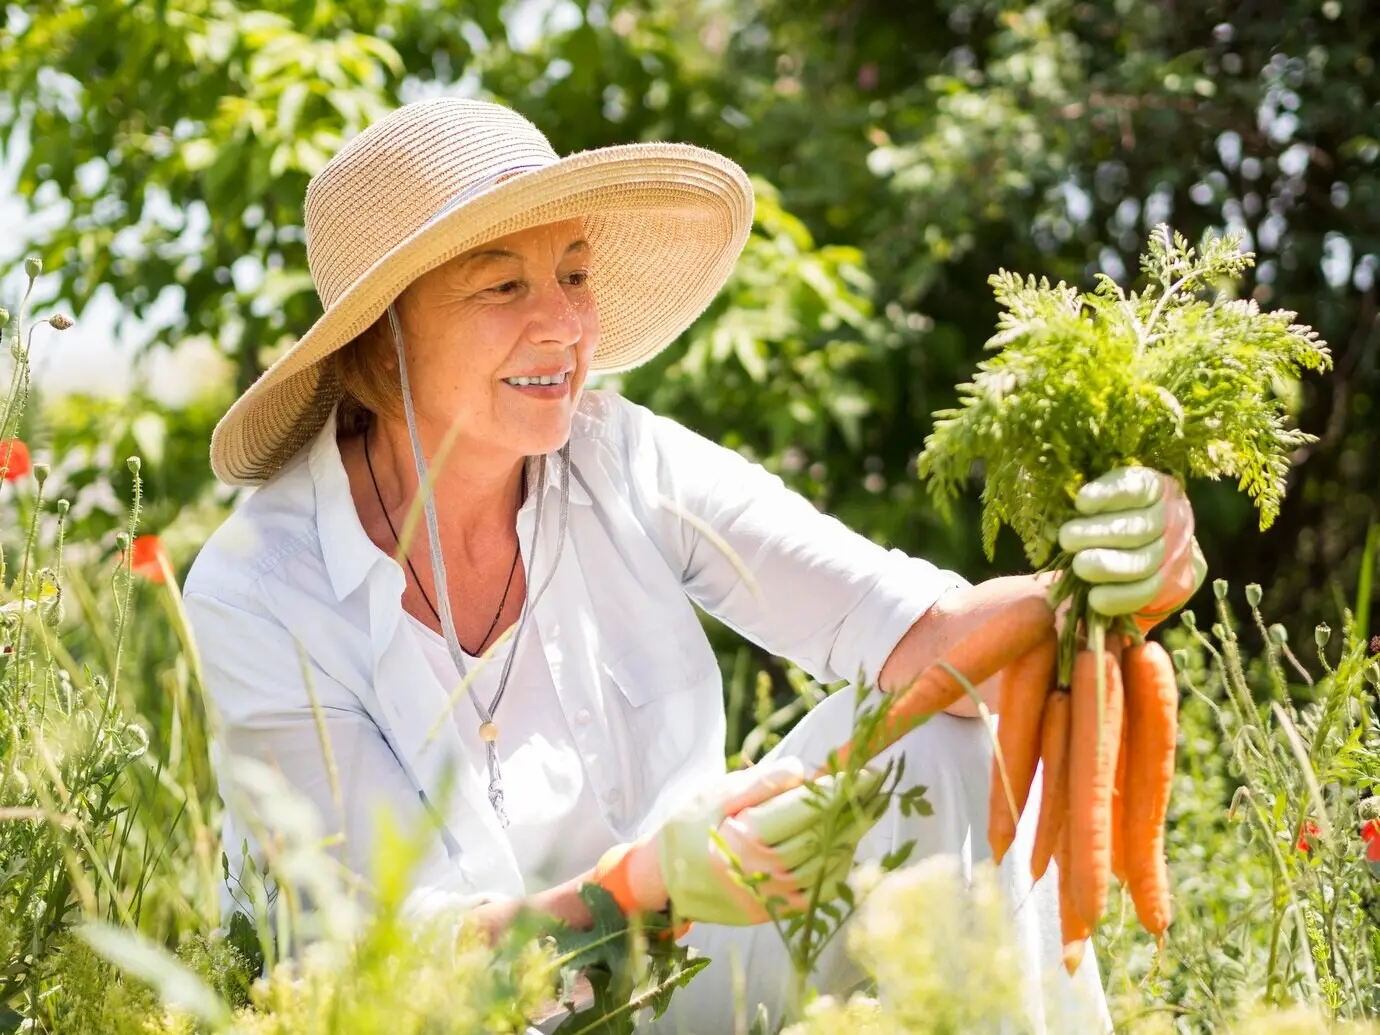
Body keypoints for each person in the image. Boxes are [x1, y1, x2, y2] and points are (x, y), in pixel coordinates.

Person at [183, 98, 1204, 1033]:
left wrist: (1097, 579)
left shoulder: (619, 455)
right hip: (451, 1012)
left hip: (679, 981)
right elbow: (390, 965)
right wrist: (629, 890)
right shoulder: (262, 591)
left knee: (944, 732)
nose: (566, 326)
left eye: (574, 275)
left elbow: (918, 637)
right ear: (374, 345)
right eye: (502, 285)